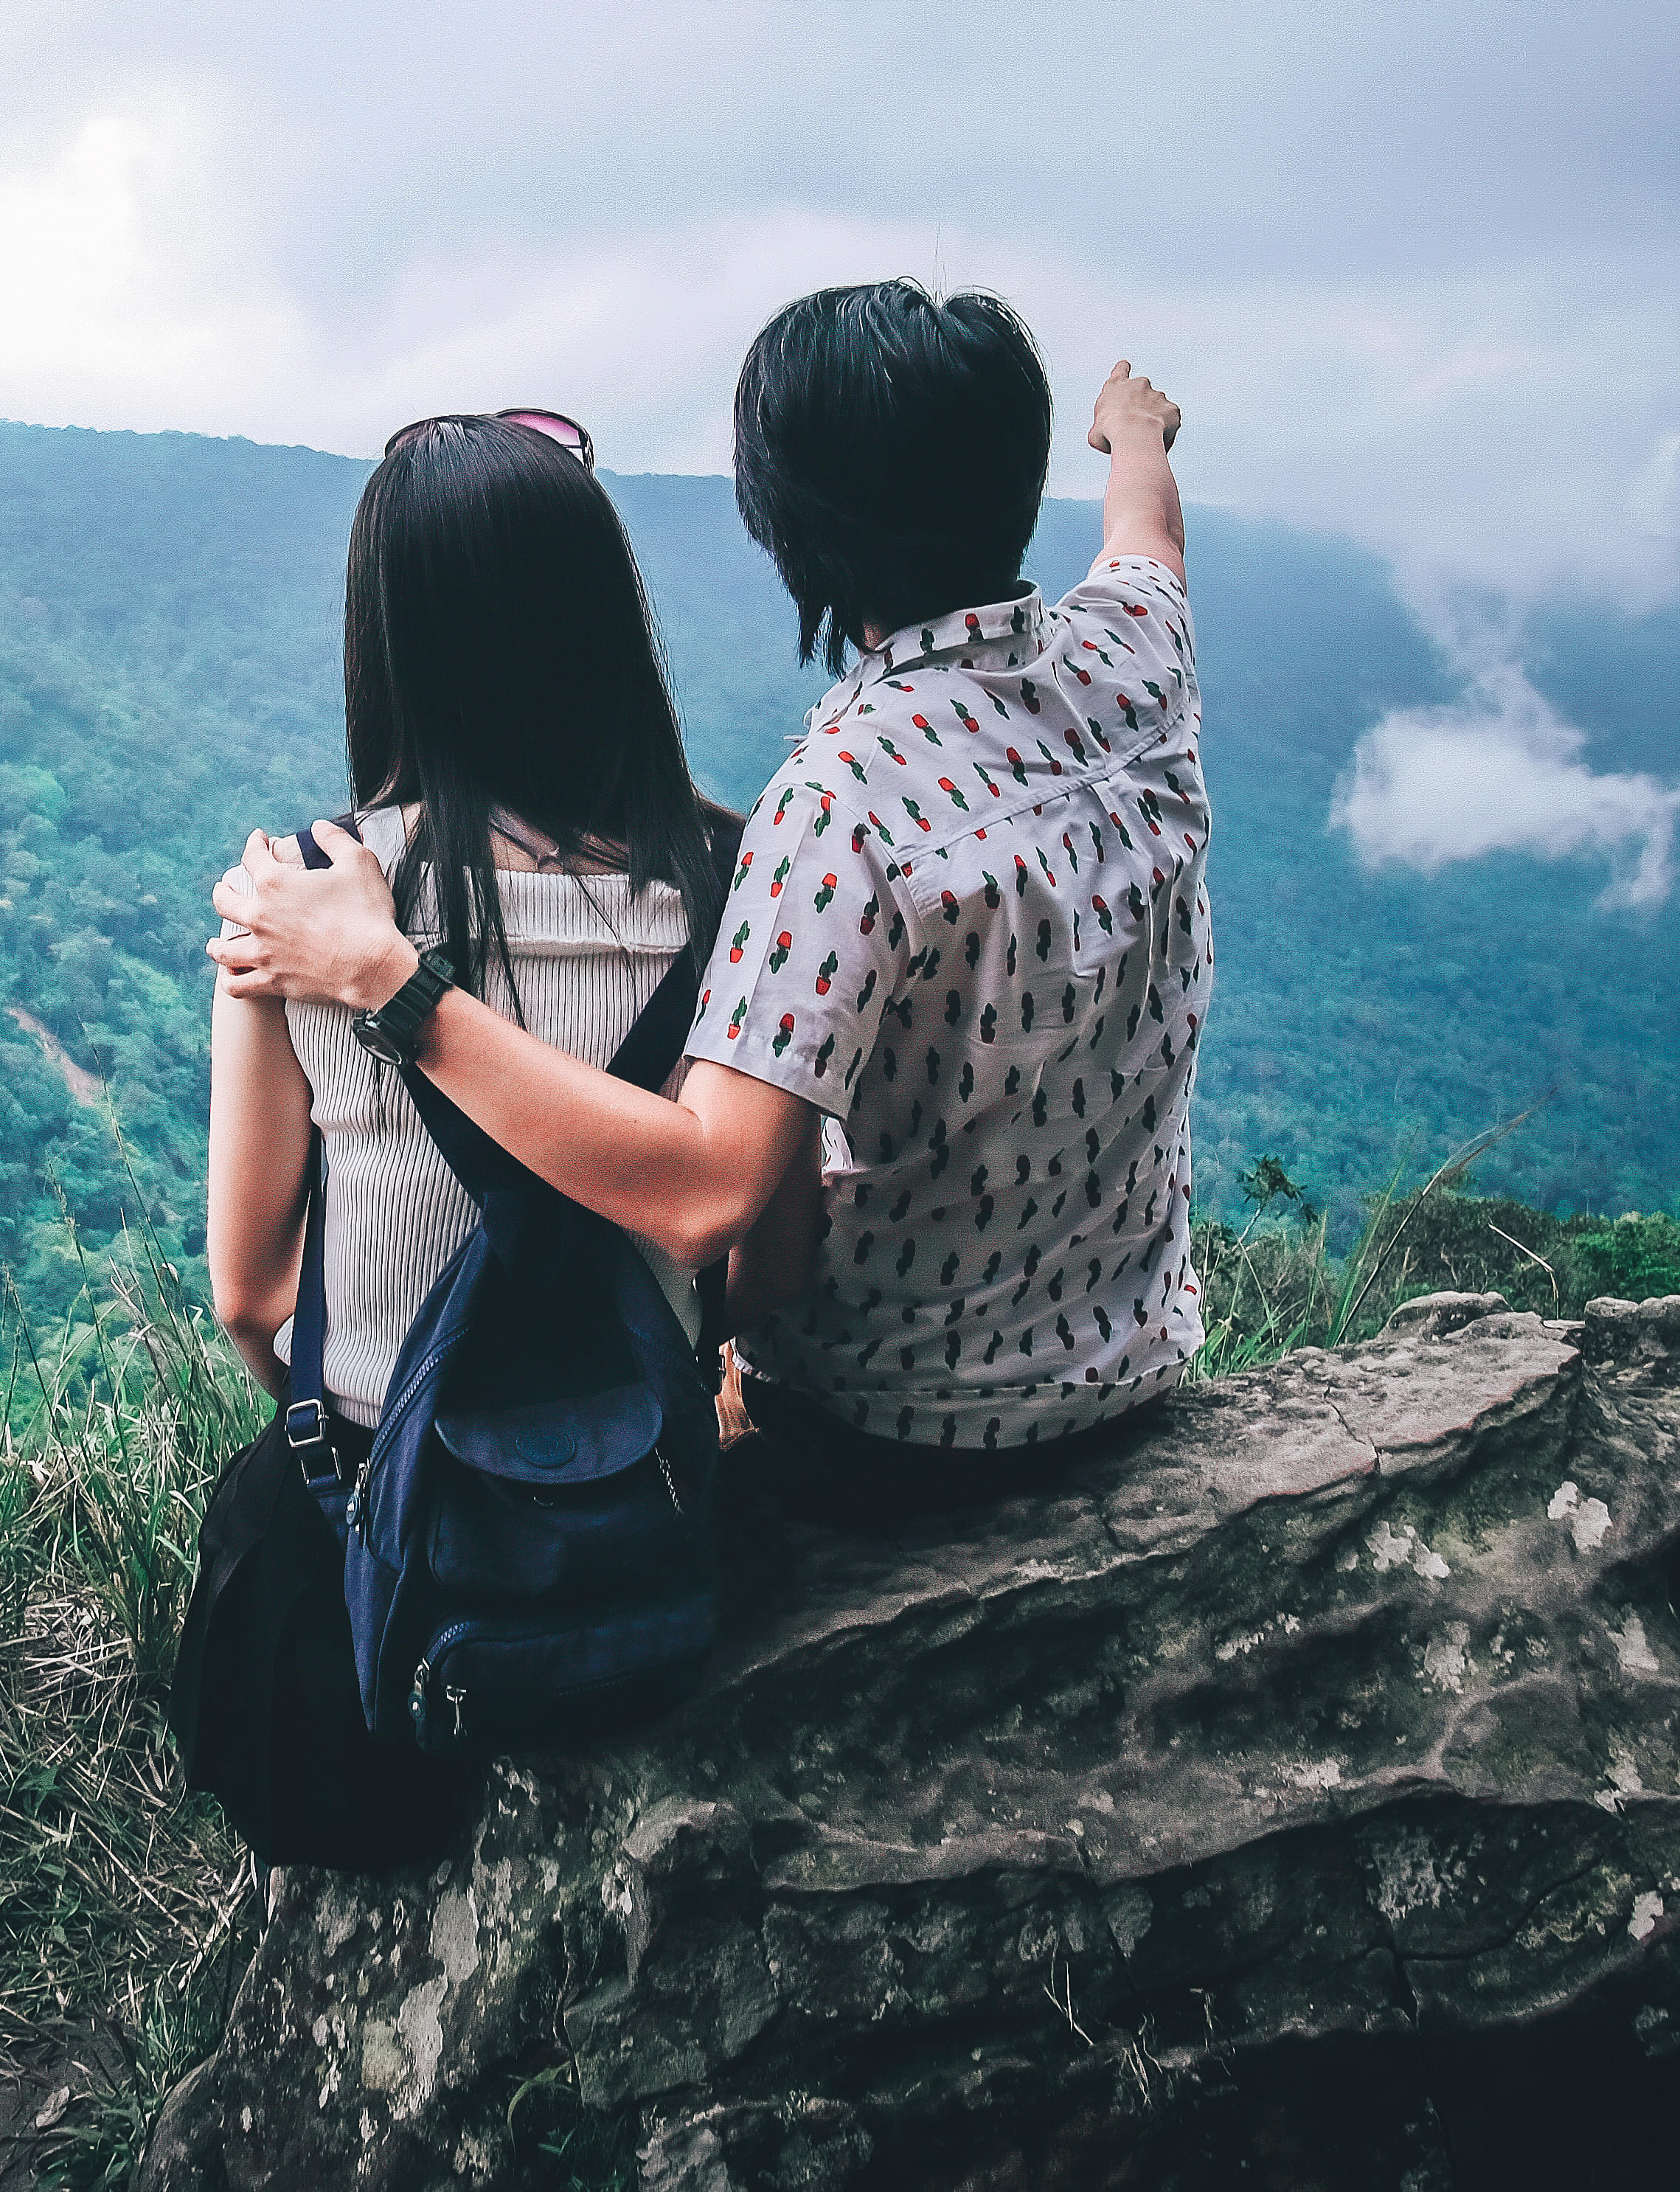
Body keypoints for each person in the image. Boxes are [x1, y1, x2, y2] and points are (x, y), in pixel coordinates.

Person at [212, 283, 1207, 1530]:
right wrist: (1138, 436)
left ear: (788, 531)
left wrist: (392, 983)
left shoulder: (836, 808)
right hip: (1135, 1370)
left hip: (901, 1426)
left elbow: (708, 1201)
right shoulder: (1134, 663)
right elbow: (1146, 543)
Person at [165, 405, 737, 1868]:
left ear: (389, 640)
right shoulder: (731, 880)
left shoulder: (305, 898)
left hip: (399, 1519)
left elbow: (248, 1294)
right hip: (658, 1503)